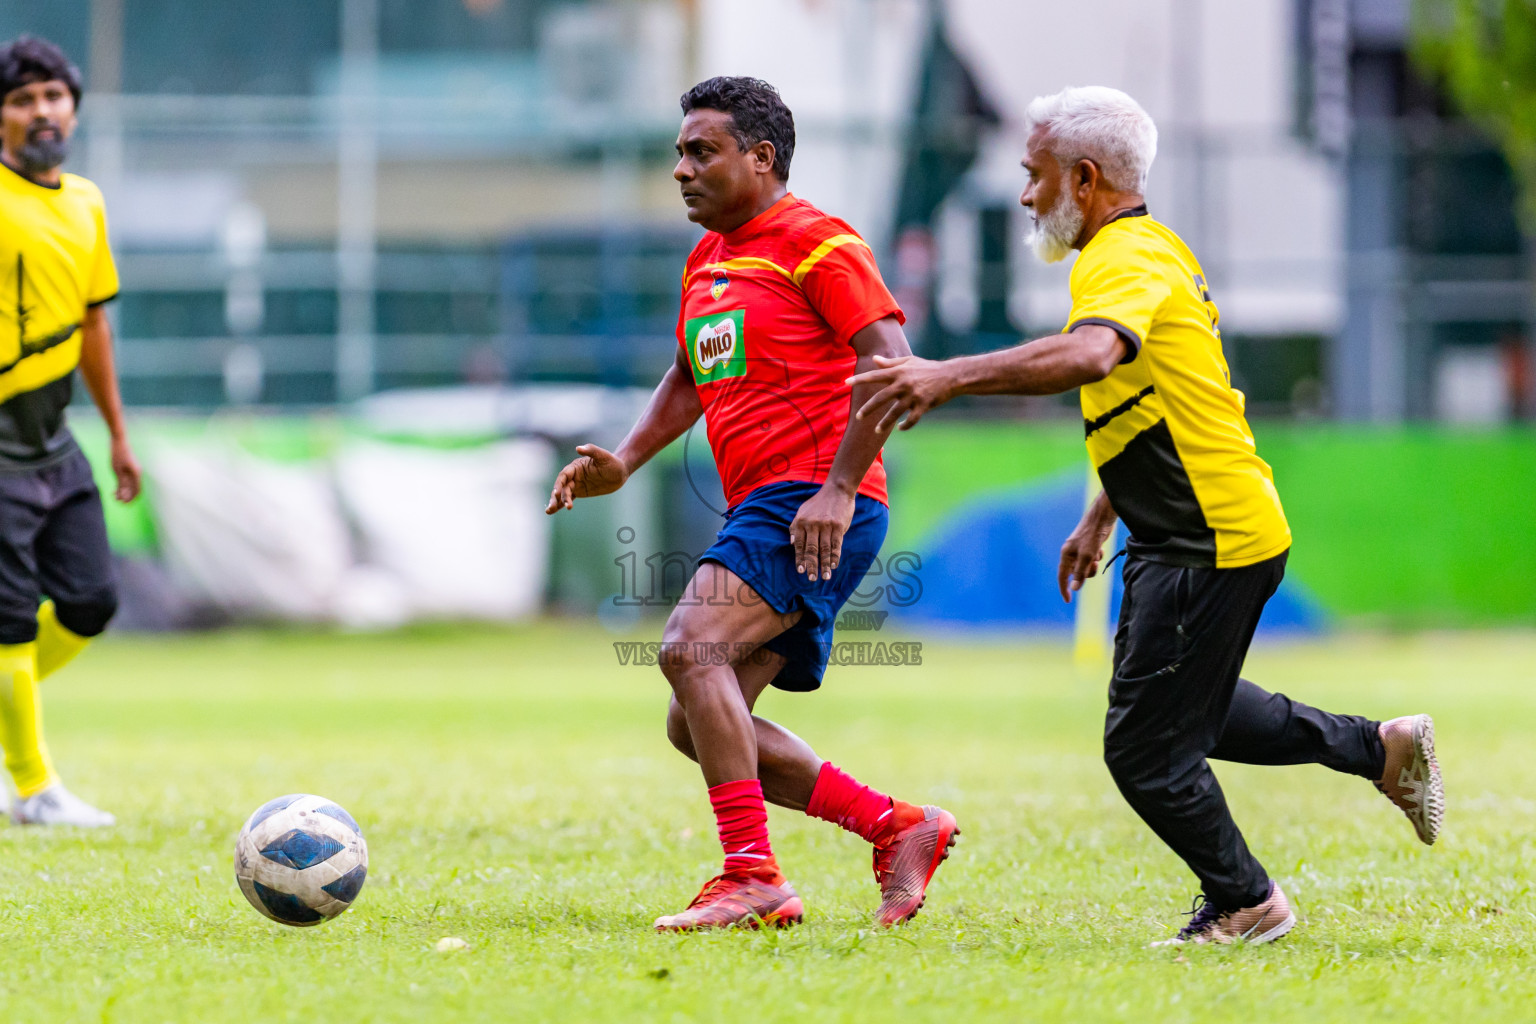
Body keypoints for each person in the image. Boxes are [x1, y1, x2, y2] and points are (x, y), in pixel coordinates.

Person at [848, 86, 1443, 945]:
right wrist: (1102, 514)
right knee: (1185, 714)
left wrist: (946, 375)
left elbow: (1093, 355)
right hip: (1190, 528)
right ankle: (1380, 749)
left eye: (1034, 174)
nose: (1023, 194)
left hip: (1210, 538)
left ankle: (1248, 901)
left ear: (1084, 179)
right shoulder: (1149, 250)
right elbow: (1160, 401)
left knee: (1146, 750)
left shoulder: (1122, 261)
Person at [547, 76, 958, 931]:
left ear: (761, 158)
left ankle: (753, 875)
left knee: (689, 649)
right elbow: (691, 376)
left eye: (702, 151)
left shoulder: (820, 243)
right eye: (679, 153)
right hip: (771, 505)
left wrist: (839, 487)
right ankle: (898, 827)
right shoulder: (711, 259)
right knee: (693, 720)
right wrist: (623, 460)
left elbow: (893, 363)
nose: (681, 170)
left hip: (812, 500)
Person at [0, 35, 141, 826]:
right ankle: (30, 788)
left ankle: (8, 728)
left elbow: (93, 325)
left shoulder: (85, 200)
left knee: (90, 602)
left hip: (56, 440)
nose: (42, 110)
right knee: (9, 619)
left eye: (52, 95)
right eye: (22, 100)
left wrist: (118, 435)